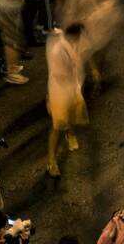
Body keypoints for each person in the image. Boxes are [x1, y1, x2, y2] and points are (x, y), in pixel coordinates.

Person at [46, 23, 88, 178]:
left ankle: (70, 133)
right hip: (60, 92)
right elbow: (60, 75)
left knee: (71, 115)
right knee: (56, 127)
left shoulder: (66, 41)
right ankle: (51, 161)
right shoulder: (59, 50)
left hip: (71, 88)